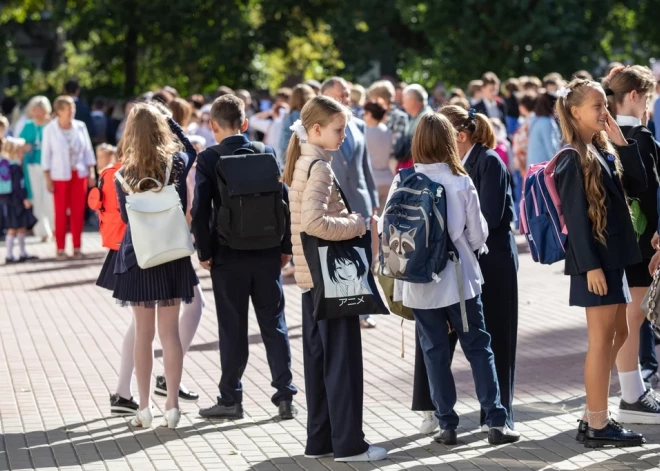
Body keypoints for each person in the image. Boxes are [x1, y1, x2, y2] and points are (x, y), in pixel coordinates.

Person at [379, 113, 520, 446]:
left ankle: (446, 424)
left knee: (435, 352)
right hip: (459, 278)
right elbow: (479, 234)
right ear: (448, 140)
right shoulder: (460, 180)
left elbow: (388, 228)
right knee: (478, 347)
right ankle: (496, 422)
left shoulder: (403, 179)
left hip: (418, 282)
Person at [282, 95, 387, 462]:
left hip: (311, 279)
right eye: (338, 129)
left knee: (319, 362)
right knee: (342, 362)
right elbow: (313, 223)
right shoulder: (320, 167)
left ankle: (321, 441)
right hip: (331, 279)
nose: (344, 136)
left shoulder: (302, 162)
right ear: (316, 129)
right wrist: (357, 223)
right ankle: (349, 444)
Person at [192, 94, 298, 421]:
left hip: (228, 256)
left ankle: (231, 399)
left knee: (233, 329)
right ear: (245, 123)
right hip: (267, 253)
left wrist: (205, 252)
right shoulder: (266, 152)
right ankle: (285, 397)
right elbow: (283, 201)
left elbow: (199, 211)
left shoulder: (210, 159)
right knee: (274, 326)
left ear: (213, 126)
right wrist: (285, 247)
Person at [554, 78, 646, 447]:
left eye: (605, 104)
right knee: (601, 341)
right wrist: (590, 266)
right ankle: (597, 422)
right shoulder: (572, 158)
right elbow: (576, 222)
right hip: (596, 264)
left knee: (619, 335)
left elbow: (640, 185)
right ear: (575, 112)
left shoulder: (600, 148)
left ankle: (593, 412)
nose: (604, 111)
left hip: (613, 261)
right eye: (596, 106)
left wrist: (620, 142)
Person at [112, 102, 198, 429]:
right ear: (162, 129)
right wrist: (170, 120)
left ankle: (144, 408)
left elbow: (124, 217)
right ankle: (172, 407)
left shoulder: (124, 172)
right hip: (173, 254)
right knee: (170, 333)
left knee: (143, 335)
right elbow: (189, 147)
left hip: (141, 257)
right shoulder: (176, 164)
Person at [441, 105, 519, 432]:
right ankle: (449, 411)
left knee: (498, 337)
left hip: (495, 261)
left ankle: (500, 415)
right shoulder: (453, 163)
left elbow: (489, 216)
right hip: (469, 261)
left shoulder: (489, 161)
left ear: (460, 136)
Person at [602, 65, 660, 423]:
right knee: (633, 318)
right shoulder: (640, 136)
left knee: (628, 319)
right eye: (649, 96)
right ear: (635, 96)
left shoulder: (599, 134)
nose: (650, 104)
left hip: (613, 239)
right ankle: (631, 395)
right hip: (643, 242)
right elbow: (651, 192)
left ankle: (632, 392)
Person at [322, 77, 380, 328]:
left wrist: (374, 199)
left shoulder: (357, 125)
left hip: (359, 199)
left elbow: (364, 165)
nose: (346, 100)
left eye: (347, 95)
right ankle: (345, 306)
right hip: (332, 205)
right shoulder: (315, 128)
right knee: (340, 259)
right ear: (324, 97)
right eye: (339, 96)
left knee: (364, 257)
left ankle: (363, 311)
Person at [41, 96, 96, 260]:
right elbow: (46, 155)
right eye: (67, 108)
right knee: (60, 212)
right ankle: (60, 248)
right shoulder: (50, 129)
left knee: (78, 211)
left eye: (72, 108)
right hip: (59, 175)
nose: (71, 111)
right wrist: (47, 178)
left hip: (79, 174)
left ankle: (77, 247)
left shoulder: (80, 126)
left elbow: (88, 151)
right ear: (58, 111)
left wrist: (91, 172)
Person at [20, 96, 54, 242]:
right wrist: (24, 147)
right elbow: (20, 145)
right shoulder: (28, 125)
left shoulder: (52, 125)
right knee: (36, 198)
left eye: (41, 110)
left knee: (49, 199)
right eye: (35, 110)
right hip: (32, 166)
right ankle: (43, 230)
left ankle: (52, 228)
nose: (38, 113)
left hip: (49, 167)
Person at [0, 137, 37, 263]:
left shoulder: (8, 166)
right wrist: (24, 199)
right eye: (21, 152)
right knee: (13, 227)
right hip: (16, 202)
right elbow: (18, 186)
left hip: (11, 201)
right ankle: (9, 255)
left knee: (21, 226)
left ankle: (22, 252)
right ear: (15, 152)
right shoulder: (15, 167)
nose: (23, 154)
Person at [367, 80, 409, 165]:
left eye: (374, 99)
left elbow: (396, 147)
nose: (371, 102)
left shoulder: (400, 117)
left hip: (390, 168)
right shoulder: (370, 116)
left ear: (383, 99)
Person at [396, 84, 433, 169]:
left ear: (412, 101)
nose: (403, 105)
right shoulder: (419, 116)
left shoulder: (425, 119)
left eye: (404, 101)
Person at [280, 84, 316, 164]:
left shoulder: (290, 117)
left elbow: (284, 143)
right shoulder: (316, 116)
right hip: (315, 158)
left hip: (295, 160)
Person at [527, 92, 560, 168]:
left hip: (534, 166)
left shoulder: (534, 118)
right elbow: (552, 149)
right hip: (544, 168)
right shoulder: (547, 122)